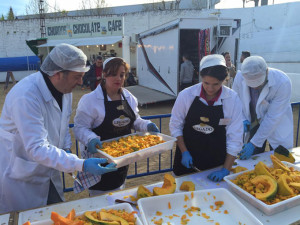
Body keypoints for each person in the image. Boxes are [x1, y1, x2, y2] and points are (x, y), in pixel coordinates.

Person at [0, 44, 117, 214]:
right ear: (57, 74)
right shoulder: (26, 96)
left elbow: (62, 125)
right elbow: (36, 148)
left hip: (48, 171)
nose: (81, 82)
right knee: (27, 218)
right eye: (77, 76)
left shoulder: (64, 90)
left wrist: (66, 149)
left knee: (55, 213)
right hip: (21, 176)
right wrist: (81, 164)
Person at [73, 57, 160, 196]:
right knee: (100, 198)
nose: (118, 78)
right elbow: (79, 128)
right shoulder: (90, 100)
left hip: (122, 156)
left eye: (121, 74)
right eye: (113, 74)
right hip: (99, 159)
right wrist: (90, 139)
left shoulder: (128, 97)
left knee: (118, 189)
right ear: (104, 75)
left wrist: (147, 125)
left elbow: (134, 120)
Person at [170, 54, 243, 182]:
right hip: (187, 156)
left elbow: (235, 137)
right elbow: (176, 126)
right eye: (206, 83)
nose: (210, 88)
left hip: (216, 162)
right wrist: (184, 151)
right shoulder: (186, 95)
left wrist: (226, 169)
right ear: (201, 77)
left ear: (224, 80)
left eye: (216, 84)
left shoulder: (232, 99)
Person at [232, 56, 293, 160]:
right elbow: (236, 102)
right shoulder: (239, 77)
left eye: (258, 85)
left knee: (280, 159)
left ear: (266, 72)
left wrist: (254, 143)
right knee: (252, 159)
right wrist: (242, 118)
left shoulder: (282, 82)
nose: (254, 88)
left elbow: (272, 118)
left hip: (276, 124)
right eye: (251, 85)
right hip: (252, 122)